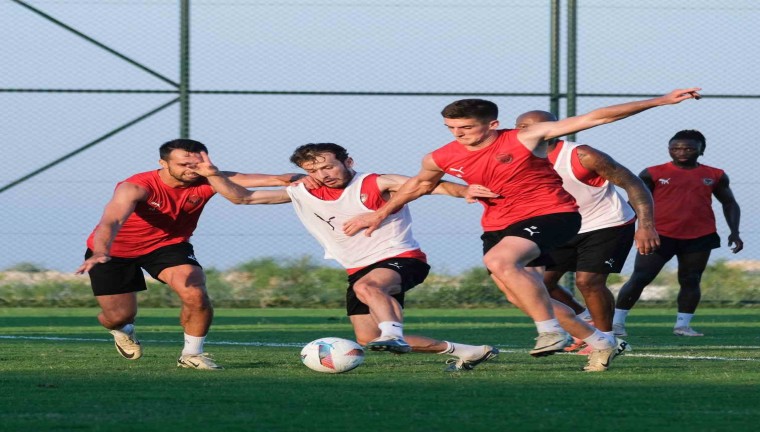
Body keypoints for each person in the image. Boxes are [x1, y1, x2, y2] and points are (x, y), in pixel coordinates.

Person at [342, 88, 702, 372]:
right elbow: (419, 185)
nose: (459, 134)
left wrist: (661, 101)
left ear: (492, 124)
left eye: (466, 128)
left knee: (502, 262)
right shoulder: (441, 156)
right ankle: (602, 341)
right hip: (499, 224)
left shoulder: (525, 138)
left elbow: (598, 117)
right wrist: (379, 214)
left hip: (553, 214)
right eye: (451, 128)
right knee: (522, 294)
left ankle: (550, 333)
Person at [191, 143, 501, 372]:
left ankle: (392, 333)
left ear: (348, 161)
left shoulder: (375, 182)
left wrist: (465, 191)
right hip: (358, 269)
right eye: (314, 170)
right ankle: (468, 351)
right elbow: (242, 198)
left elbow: (427, 185)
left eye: (328, 167)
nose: (322, 175)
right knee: (367, 337)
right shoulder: (302, 191)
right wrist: (213, 174)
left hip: (403, 258)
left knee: (370, 290)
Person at [75, 138, 304, 370]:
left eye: (196, 164)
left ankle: (192, 355)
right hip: (113, 251)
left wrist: (313, 180)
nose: (191, 170)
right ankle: (122, 330)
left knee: (195, 293)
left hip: (167, 245)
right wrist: (100, 251)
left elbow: (277, 179)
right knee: (119, 316)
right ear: (163, 163)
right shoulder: (135, 186)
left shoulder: (209, 177)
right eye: (183, 164)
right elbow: (111, 221)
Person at [513, 110, 658, 354]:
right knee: (539, 283)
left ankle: (608, 340)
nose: (526, 131)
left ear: (555, 127)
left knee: (588, 281)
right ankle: (585, 324)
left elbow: (633, 183)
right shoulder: (513, 158)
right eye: (521, 126)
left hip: (607, 223)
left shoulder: (582, 155)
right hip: (561, 226)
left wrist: (646, 225)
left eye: (532, 126)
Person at [613, 129, 743, 337]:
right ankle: (617, 323)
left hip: (700, 236)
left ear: (701, 150)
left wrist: (734, 231)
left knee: (691, 279)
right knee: (641, 277)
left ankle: (683, 326)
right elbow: (635, 202)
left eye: (688, 148)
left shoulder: (715, 175)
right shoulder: (652, 173)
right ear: (669, 149)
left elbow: (729, 203)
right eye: (675, 148)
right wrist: (629, 229)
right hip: (659, 235)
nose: (681, 152)